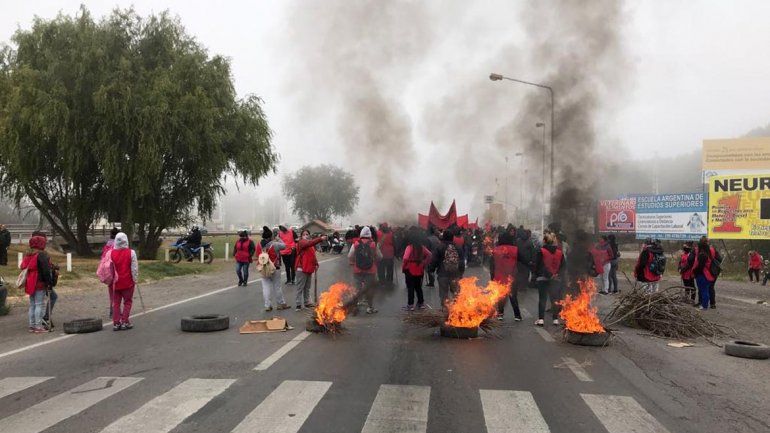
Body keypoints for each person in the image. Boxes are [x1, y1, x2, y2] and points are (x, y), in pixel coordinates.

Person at [20, 234, 53, 333]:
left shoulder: (28, 255)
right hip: (39, 281)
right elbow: (46, 271)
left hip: (30, 281)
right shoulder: (41, 255)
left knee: (32, 305)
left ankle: (32, 325)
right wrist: (49, 283)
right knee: (39, 304)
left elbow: (22, 266)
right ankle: (38, 326)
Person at [533, 232, 565, 326]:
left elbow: (538, 266)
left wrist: (538, 274)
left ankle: (541, 319)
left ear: (544, 241)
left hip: (542, 279)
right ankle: (555, 319)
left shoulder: (541, 251)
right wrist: (557, 274)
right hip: (556, 279)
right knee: (554, 299)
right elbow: (563, 266)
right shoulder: (560, 253)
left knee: (542, 299)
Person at [348, 226, 381, 314]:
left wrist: (353, 262)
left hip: (357, 270)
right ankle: (370, 308)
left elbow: (350, 255)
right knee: (369, 289)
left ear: (361, 234)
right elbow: (379, 256)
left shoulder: (355, 244)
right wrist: (374, 261)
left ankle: (355, 307)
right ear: (370, 235)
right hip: (370, 271)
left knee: (356, 289)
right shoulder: (373, 244)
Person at [490, 231, 522, 321]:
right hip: (512, 276)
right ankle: (517, 315)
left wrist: (492, 277)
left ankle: (500, 314)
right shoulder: (515, 249)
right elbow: (521, 261)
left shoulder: (495, 250)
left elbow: (492, 265)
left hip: (499, 276)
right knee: (513, 296)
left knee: (501, 296)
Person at [429, 230, 465, 308]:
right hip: (455, 274)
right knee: (456, 294)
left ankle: (445, 312)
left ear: (443, 237)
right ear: (452, 238)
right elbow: (462, 262)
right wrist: (461, 273)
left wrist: (431, 270)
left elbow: (434, 260)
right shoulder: (458, 247)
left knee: (444, 294)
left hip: (443, 275)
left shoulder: (439, 247)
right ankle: (457, 311)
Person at [257, 226, 289, 312]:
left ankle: (267, 305)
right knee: (277, 287)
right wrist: (278, 239)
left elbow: (257, 256)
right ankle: (280, 304)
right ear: (271, 236)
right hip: (275, 268)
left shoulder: (259, 245)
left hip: (263, 268)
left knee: (266, 287)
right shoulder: (275, 244)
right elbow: (284, 246)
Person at [110, 232, 138, 331]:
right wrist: (135, 279)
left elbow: (110, 269)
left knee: (116, 303)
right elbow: (134, 268)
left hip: (115, 283)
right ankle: (125, 321)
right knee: (127, 302)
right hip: (128, 282)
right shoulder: (131, 253)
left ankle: (116, 323)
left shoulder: (111, 253)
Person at [295, 229, 326, 310]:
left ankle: (306, 302)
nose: (306, 235)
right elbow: (309, 243)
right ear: (301, 236)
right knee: (300, 287)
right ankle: (298, 304)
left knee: (307, 287)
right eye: (304, 234)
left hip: (308, 267)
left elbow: (312, 255)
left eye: (307, 234)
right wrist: (320, 239)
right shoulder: (302, 242)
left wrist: (316, 263)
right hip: (301, 268)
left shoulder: (311, 245)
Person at [401, 233, 432, 311]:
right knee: (418, 287)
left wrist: (404, 267)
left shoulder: (409, 247)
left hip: (410, 269)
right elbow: (430, 255)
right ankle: (421, 303)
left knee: (410, 287)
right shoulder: (422, 247)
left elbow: (405, 258)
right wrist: (424, 263)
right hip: (419, 269)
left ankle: (410, 305)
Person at [689, 236, 721, 310]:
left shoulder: (700, 252)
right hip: (711, 273)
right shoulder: (712, 249)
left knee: (703, 290)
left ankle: (704, 305)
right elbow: (719, 259)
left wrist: (694, 272)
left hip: (703, 273)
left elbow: (693, 261)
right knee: (709, 288)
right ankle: (712, 304)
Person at [101, 228, 120, 317]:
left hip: (108, 272)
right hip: (116, 271)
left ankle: (111, 310)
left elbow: (103, 258)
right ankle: (116, 310)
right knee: (117, 292)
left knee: (111, 292)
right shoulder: (118, 246)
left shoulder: (107, 246)